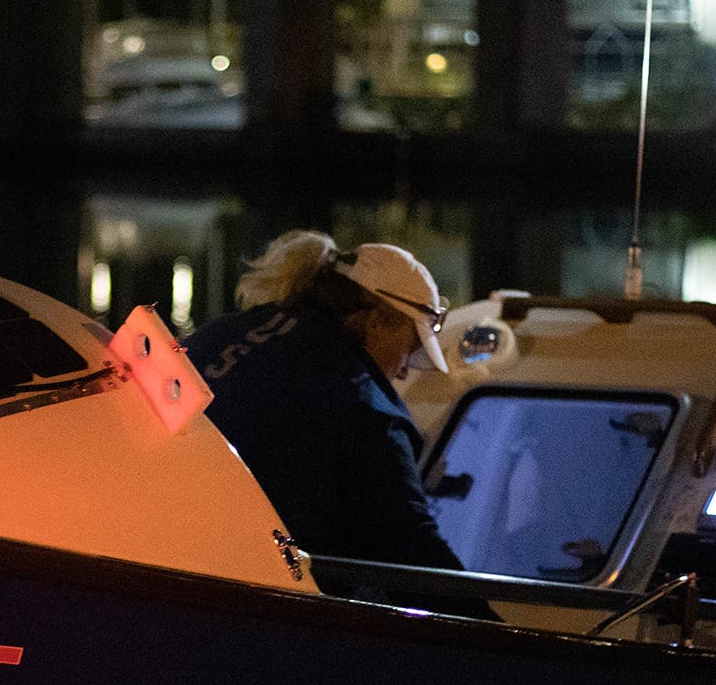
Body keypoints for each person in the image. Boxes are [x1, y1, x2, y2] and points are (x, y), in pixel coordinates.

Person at [185, 230, 490, 616]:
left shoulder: (218, 336)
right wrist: (493, 631)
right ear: (377, 321)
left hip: (167, 568)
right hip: (258, 608)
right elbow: (407, 546)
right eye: (411, 347)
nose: (403, 370)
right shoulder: (362, 401)